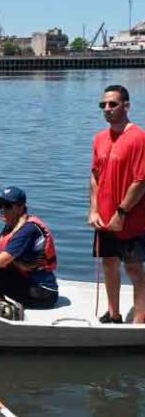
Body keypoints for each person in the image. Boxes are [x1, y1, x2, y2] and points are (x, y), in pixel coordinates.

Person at [89, 84, 145, 324]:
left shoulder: (138, 138)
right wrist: (93, 210)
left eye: (113, 104)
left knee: (134, 269)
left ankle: (140, 321)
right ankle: (114, 314)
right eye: (104, 105)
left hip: (131, 220)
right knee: (109, 264)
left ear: (126, 106)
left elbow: (141, 181)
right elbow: (94, 176)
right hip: (103, 218)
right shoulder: (100, 139)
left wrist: (121, 212)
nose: (107, 109)